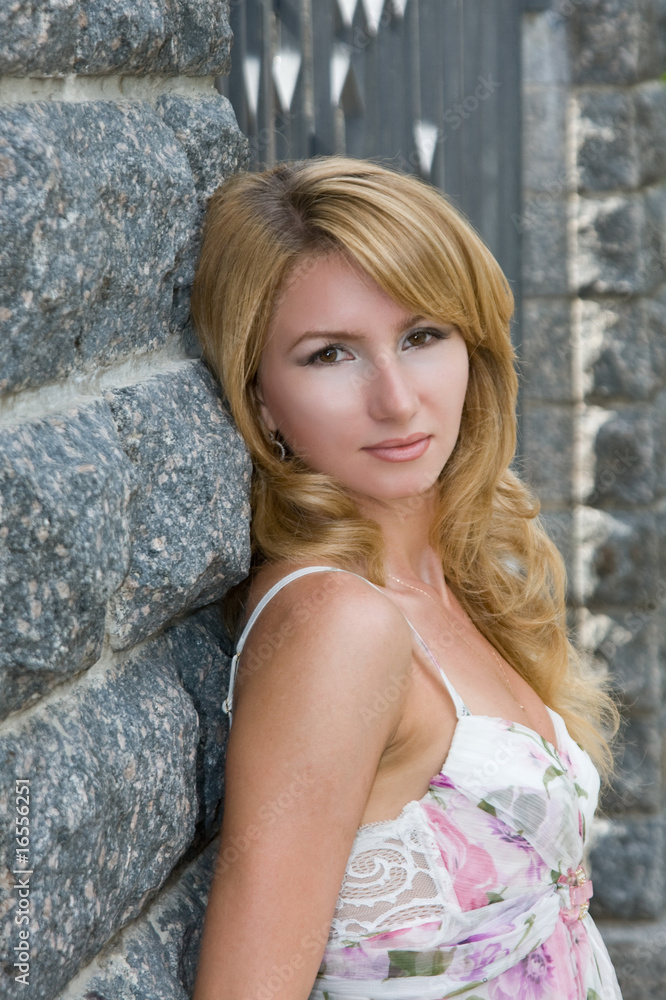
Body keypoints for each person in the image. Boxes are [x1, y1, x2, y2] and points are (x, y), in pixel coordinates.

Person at [190, 156, 623, 1000]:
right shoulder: (338, 625)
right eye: (330, 355)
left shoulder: (457, 579)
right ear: (262, 399)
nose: (396, 400)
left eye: (423, 337)